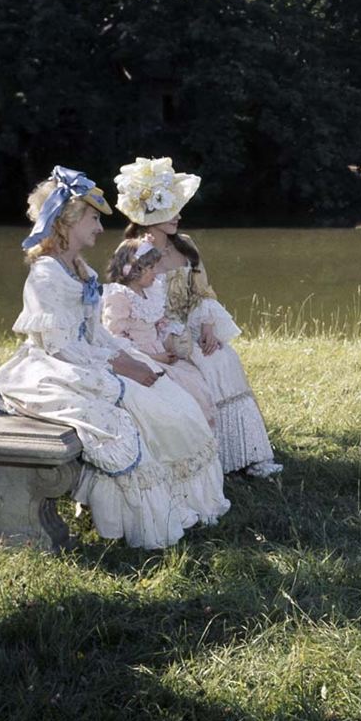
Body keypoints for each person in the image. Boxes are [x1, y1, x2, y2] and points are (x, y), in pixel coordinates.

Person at [0, 167, 230, 549]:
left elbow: (98, 333)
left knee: (172, 397)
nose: (101, 228)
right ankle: (140, 515)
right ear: (68, 222)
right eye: (94, 218)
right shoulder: (46, 275)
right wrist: (124, 367)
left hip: (87, 356)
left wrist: (132, 359)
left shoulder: (80, 269)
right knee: (140, 408)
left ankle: (183, 503)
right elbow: (61, 347)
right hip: (56, 368)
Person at [113, 157, 282, 479]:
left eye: (178, 208)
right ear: (150, 213)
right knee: (204, 366)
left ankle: (249, 453)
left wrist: (208, 327)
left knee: (224, 358)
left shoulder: (186, 244)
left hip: (192, 319)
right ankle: (214, 457)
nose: (178, 215)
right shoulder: (131, 250)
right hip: (156, 327)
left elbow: (203, 292)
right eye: (171, 209)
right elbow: (128, 302)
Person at [101, 237, 217, 430]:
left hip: (159, 352)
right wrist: (154, 357)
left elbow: (159, 323)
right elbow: (115, 338)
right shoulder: (119, 296)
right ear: (136, 269)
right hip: (137, 357)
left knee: (194, 381)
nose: (157, 272)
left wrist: (173, 336)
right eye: (152, 268)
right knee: (176, 391)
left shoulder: (150, 293)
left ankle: (200, 436)